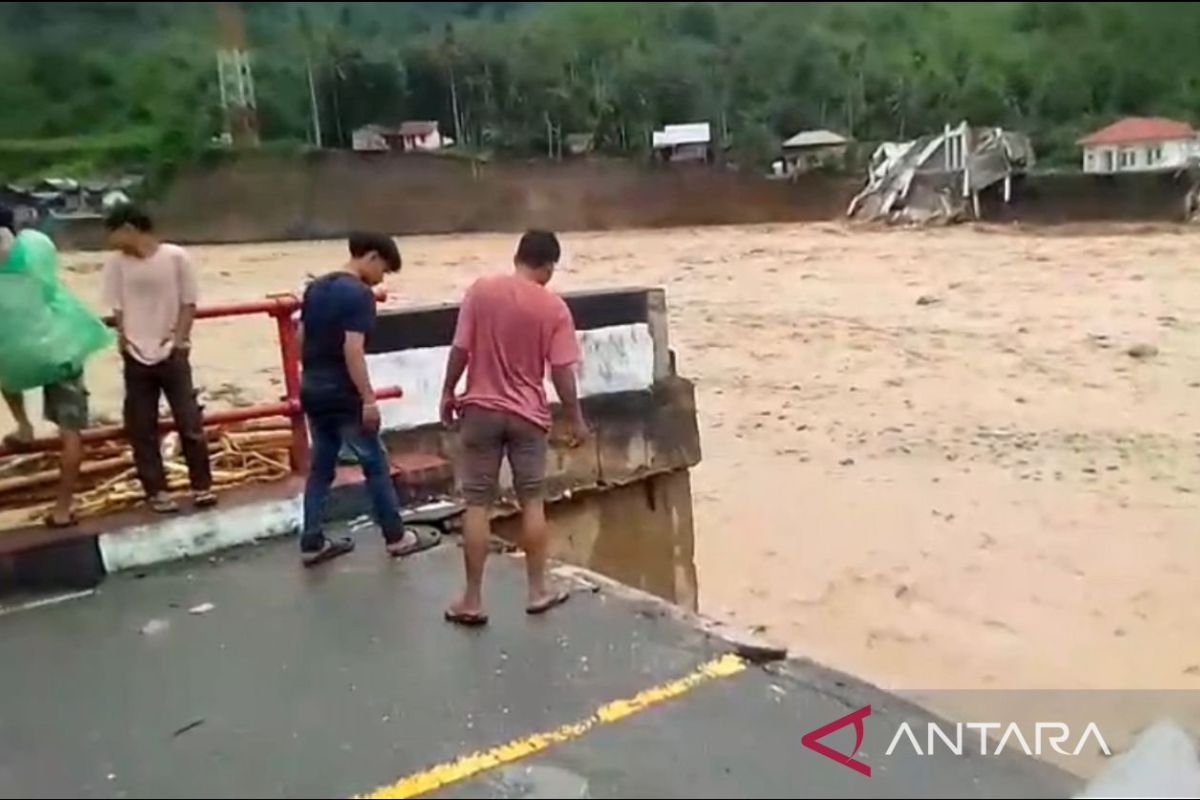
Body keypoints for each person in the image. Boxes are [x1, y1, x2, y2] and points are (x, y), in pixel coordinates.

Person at [440, 230, 588, 626]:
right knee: (533, 501)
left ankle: (471, 600)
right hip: (527, 416)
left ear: (518, 255)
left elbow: (461, 349)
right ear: (549, 266)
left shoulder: (481, 290)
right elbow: (561, 372)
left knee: (477, 504)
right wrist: (575, 416)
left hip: (480, 410)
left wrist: (447, 391)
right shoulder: (554, 308)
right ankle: (537, 591)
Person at [297, 232, 440, 567]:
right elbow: (353, 350)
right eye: (384, 270)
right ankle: (395, 536)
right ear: (372, 257)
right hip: (343, 391)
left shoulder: (315, 288)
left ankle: (312, 541)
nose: (382, 277)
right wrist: (368, 399)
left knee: (321, 468)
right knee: (374, 463)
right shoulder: (359, 295)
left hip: (313, 386)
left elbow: (300, 336)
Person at [102, 205, 215, 512]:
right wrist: (124, 340)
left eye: (112, 231)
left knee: (189, 420)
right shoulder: (116, 264)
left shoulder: (175, 257)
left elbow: (188, 302)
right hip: (136, 351)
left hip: (171, 350)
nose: (110, 240)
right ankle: (156, 491)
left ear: (128, 228)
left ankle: (202, 486)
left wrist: (179, 340)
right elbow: (117, 307)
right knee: (142, 425)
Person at [0, 204, 88, 527]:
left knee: (4, 370)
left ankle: (23, 425)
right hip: (60, 343)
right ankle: (62, 509)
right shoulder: (37, 243)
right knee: (71, 433)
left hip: (15, 350)